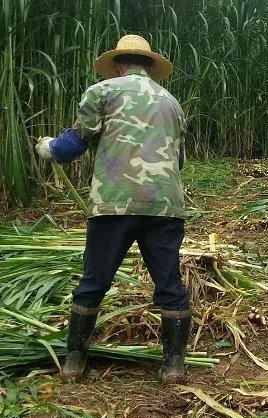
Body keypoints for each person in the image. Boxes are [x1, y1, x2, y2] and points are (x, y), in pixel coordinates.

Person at [35, 34, 191, 383]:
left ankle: (75, 363)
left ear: (119, 64)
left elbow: (77, 140)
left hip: (114, 203)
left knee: (94, 280)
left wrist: (49, 148)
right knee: (170, 283)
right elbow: (177, 161)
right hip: (165, 206)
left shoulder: (102, 91)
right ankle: (173, 366)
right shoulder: (172, 103)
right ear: (149, 66)